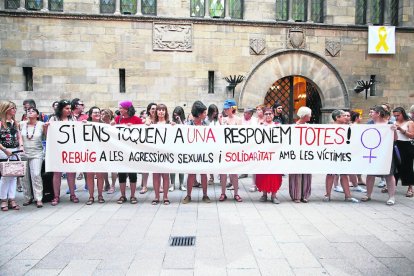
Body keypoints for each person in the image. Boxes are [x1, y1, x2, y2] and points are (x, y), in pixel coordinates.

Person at [362, 106, 397, 205]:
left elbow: (395, 139)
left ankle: (391, 197)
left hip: (386, 154)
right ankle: (368, 195)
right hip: (372, 153)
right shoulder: (369, 124)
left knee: (389, 175)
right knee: (370, 174)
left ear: (378, 113)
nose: (370, 114)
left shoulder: (390, 124)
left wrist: (394, 130)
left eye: (372, 112)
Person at [47, 99, 78, 206]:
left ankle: (72, 194)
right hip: (57, 149)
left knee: (71, 173)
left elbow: (77, 132)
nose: (69, 110)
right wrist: (46, 128)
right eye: (67, 108)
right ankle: (56, 196)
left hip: (70, 149)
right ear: (61, 109)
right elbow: (48, 134)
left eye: (70, 108)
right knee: (57, 173)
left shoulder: (73, 119)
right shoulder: (53, 118)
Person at [111, 100, 143, 204]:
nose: (119, 110)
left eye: (121, 108)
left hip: (133, 151)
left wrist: (133, 128)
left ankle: (133, 196)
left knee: (133, 174)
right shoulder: (117, 119)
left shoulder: (137, 120)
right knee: (122, 174)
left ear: (127, 109)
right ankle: (123, 195)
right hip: (121, 151)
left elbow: (142, 133)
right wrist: (111, 125)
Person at [324, 110, 358, 203]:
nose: (346, 117)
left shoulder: (348, 127)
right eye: (343, 116)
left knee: (344, 175)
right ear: (337, 118)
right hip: (332, 154)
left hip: (344, 154)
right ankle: (327, 195)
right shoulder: (329, 128)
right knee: (331, 174)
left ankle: (348, 196)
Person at [182, 101, 211, 204]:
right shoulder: (188, 124)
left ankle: (205, 195)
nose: (206, 114)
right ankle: (188, 195)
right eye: (204, 113)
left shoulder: (207, 124)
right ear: (199, 114)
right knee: (191, 174)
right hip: (191, 153)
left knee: (204, 174)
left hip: (204, 153)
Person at [256, 107, 283, 204]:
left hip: (275, 155)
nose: (268, 115)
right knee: (263, 174)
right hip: (263, 155)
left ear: (273, 114)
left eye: (270, 114)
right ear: (263, 115)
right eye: (266, 114)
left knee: (274, 175)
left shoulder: (278, 125)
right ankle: (264, 194)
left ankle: (274, 196)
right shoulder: (260, 126)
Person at [20, 108, 46, 208]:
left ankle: (38, 198)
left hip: (37, 153)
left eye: (33, 111)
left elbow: (48, 136)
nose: (30, 112)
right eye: (28, 111)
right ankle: (27, 197)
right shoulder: (21, 124)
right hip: (23, 153)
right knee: (24, 177)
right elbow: (18, 136)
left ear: (38, 115)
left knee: (36, 174)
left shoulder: (41, 125)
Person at [0, 101, 23, 211]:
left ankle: (12, 198)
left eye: (15, 108)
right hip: (3, 151)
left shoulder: (15, 122)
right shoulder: (0, 123)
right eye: (12, 108)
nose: (14, 110)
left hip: (15, 150)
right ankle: (3, 199)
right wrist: (4, 149)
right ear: (6, 109)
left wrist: (21, 146)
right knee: (5, 176)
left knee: (14, 176)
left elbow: (18, 136)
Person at [219, 99, 242, 202]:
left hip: (234, 149)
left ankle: (236, 193)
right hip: (224, 149)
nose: (225, 110)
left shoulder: (238, 120)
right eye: (225, 108)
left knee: (234, 173)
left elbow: (241, 134)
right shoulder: (223, 119)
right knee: (223, 173)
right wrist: (221, 123)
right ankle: (223, 193)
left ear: (232, 108)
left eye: (227, 108)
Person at [289, 107, 312, 203]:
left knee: (306, 174)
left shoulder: (310, 127)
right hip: (296, 153)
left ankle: (305, 195)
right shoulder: (293, 126)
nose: (310, 116)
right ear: (305, 115)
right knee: (296, 174)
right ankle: (296, 195)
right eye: (309, 114)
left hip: (306, 154)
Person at [84, 107, 106, 205]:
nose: (97, 114)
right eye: (95, 112)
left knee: (100, 175)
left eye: (98, 112)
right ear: (90, 114)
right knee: (89, 175)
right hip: (89, 152)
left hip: (101, 153)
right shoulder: (85, 124)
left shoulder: (105, 126)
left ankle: (100, 195)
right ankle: (91, 196)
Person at [151, 104, 171, 205]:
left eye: (163, 110)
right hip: (155, 153)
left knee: (165, 175)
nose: (161, 112)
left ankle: (166, 196)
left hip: (166, 152)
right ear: (156, 112)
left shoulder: (169, 123)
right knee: (155, 175)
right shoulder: (152, 123)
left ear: (166, 112)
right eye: (159, 110)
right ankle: (156, 196)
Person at [393, 106, 414, 197]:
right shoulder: (394, 122)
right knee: (395, 166)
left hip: (406, 146)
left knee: (407, 166)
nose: (397, 117)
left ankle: (410, 187)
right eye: (395, 116)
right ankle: (392, 185)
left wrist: (401, 129)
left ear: (403, 114)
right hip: (396, 145)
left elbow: (412, 136)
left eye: (398, 115)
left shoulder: (409, 122)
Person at [140, 102, 157, 194]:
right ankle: (144, 186)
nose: (154, 110)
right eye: (152, 109)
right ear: (149, 110)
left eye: (155, 108)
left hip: (158, 147)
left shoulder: (161, 120)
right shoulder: (145, 120)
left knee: (157, 167)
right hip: (147, 146)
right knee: (145, 167)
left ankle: (158, 185)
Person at [169, 106, 186, 192]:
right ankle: (172, 184)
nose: (176, 117)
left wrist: (180, 121)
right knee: (172, 167)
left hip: (182, 147)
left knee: (181, 167)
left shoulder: (185, 122)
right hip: (173, 147)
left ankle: (181, 184)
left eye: (178, 115)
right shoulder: (170, 122)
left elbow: (185, 130)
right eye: (175, 115)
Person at [101, 109, 118, 194]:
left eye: (104, 114)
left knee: (113, 167)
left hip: (113, 147)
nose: (102, 115)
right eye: (102, 114)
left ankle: (113, 185)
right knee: (104, 167)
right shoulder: (99, 124)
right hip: (103, 147)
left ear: (108, 115)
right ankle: (106, 183)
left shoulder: (113, 123)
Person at [205, 104, 219, 185]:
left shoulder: (217, 120)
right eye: (213, 112)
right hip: (208, 143)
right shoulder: (206, 120)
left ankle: (221, 177)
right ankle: (211, 177)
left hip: (217, 143)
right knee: (210, 161)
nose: (215, 113)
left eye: (216, 112)